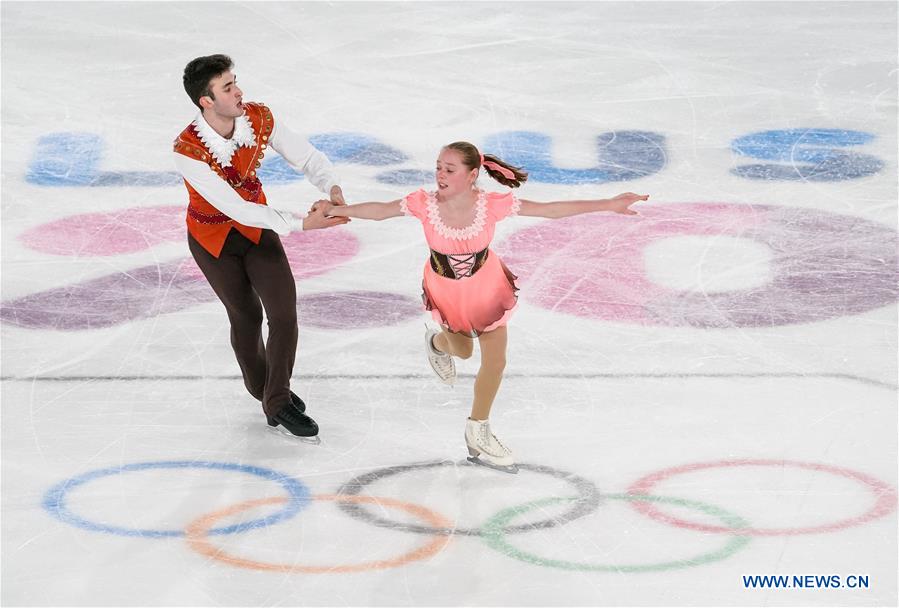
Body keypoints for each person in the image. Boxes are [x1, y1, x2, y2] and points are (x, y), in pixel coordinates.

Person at [313, 141, 647, 471]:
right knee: (462, 351)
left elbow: (550, 210)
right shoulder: (423, 203)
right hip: (446, 288)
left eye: (449, 169)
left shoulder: (491, 205)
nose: (440, 174)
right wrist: (339, 210)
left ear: (472, 175)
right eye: (439, 167)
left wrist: (609, 204)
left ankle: (478, 428)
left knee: (496, 360)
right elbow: (381, 211)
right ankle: (436, 342)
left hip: (487, 284)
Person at [173, 54, 348, 440]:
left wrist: (331, 188)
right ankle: (264, 390)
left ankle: (277, 399)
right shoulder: (187, 150)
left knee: (284, 311)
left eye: (235, 82)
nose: (239, 92)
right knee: (247, 317)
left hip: (258, 229)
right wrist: (303, 223)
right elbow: (233, 207)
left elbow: (306, 156)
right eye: (228, 87)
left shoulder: (258, 118)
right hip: (213, 239)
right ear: (206, 100)